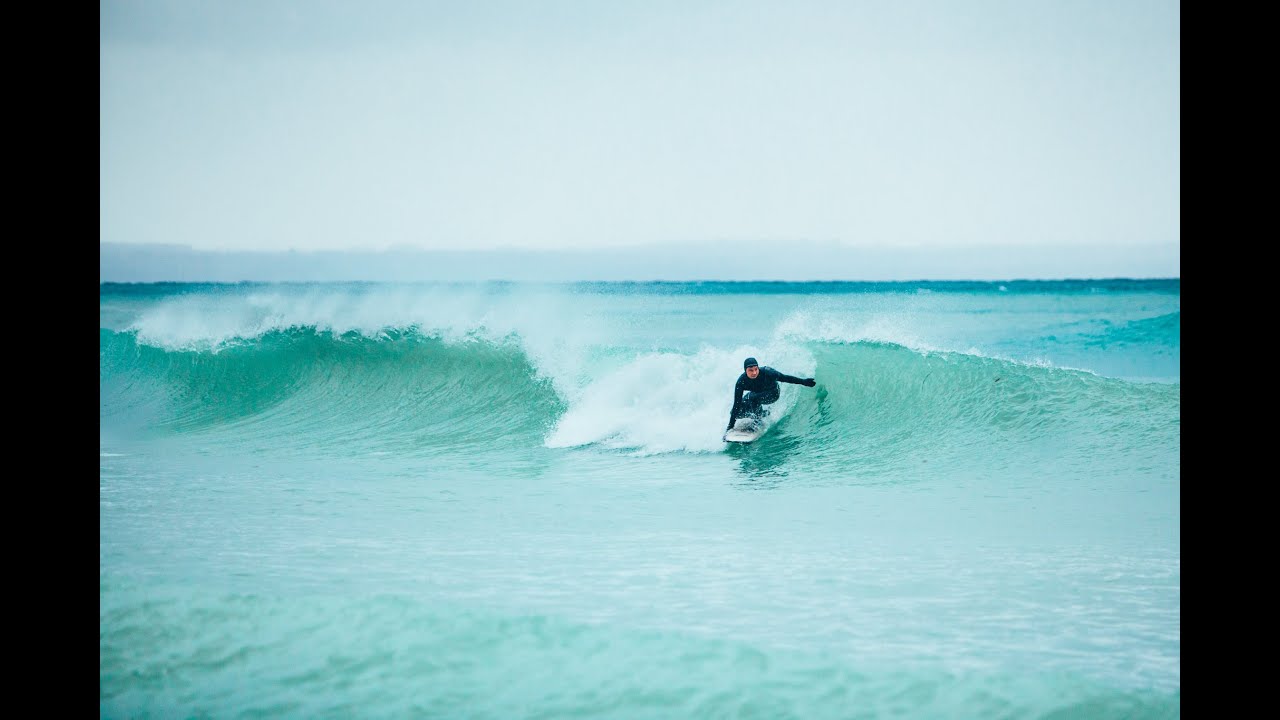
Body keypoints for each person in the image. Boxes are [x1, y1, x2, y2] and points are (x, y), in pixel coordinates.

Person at [725, 357, 816, 431]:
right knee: (737, 411)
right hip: (757, 394)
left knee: (753, 398)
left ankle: (758, 419)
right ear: (745, 370)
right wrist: (730, 427)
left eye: (756, 369)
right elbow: (736, 404)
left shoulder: (768, 372)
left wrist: (803, 381)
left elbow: (785, 378)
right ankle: (763, 413)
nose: (754, 372)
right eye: (750, 370)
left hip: (773, 394)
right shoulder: (741, 382)